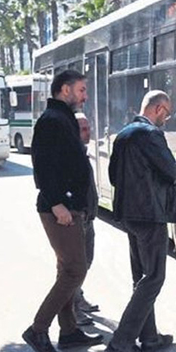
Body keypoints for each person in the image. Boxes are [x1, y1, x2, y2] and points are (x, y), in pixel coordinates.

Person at [23, 70, 103, 352]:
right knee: (75, 270)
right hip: (60, 208)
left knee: (66, 269)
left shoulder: (62, 117)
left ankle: (68, 332)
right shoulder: (51, 120)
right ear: (65, 90)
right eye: (81, 90)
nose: (84, 96)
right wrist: (58, 203)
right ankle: (38, 329)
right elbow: (42, 166)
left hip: (71, 206)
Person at [106, 90, 176, 352]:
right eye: (167, 113)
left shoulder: (123, 134)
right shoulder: (150, 134)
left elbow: (114, 176)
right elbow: (172, 171)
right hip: (150, 214)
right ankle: (121, 341)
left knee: (141, 278)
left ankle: (149, 339)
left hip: (129, 215)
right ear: (158, 109)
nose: (167, 119)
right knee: (154, 278)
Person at [73, 113, 100, 326]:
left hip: (87, 217)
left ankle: (78, 297)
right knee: (76, 265)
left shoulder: (83, 152)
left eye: (88, 128)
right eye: (83, 129)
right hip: (77, 217)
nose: (88, 132)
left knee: (86, 261)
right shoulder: (71, 155)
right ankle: (73, 310)